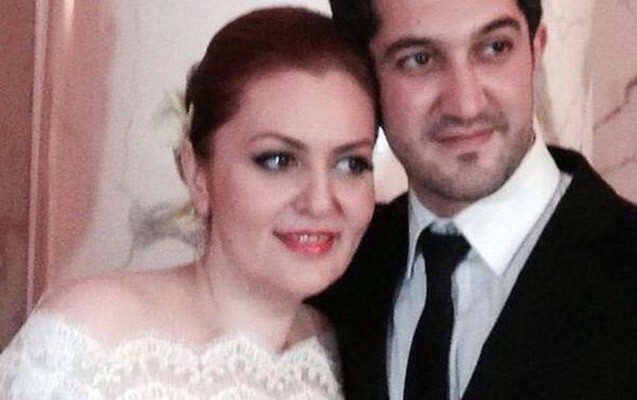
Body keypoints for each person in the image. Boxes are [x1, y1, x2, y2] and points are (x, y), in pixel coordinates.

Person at [0, 7, 379, 399]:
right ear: (196, 171)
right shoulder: (93, 336)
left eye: (351, 164)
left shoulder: (346, 350)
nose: (320, 202)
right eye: (278, 160)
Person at [313, 0, 637, 399]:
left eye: (494, 48)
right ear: (363, 79)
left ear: (536, 50)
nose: (466, 105)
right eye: (419, 59)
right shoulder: (331, 269)